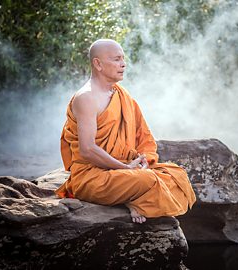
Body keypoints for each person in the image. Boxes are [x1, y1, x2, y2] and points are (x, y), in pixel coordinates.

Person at [55, 39, 196, 223]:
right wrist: (126, 168)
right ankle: (135, 201)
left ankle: (131, 198)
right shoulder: (86, 98)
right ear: (97, 63)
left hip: (123, 170)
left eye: (123, 59)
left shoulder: (122, 95)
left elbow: (142, 136)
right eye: (116, 59)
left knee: (177, 175)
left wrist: (143, 159)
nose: (123, 64)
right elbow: (87, 150)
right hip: (93, 176)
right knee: (146, 180)